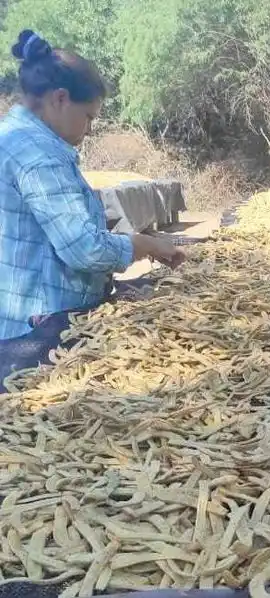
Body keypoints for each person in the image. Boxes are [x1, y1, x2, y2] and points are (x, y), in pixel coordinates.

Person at [0, 30, 185, 387]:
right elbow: (84, 249)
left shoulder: (12, 137)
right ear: (60, 99)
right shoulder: (39, 155)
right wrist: (143, 244)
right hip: (37, 332)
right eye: (89, 116)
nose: (90, 129)